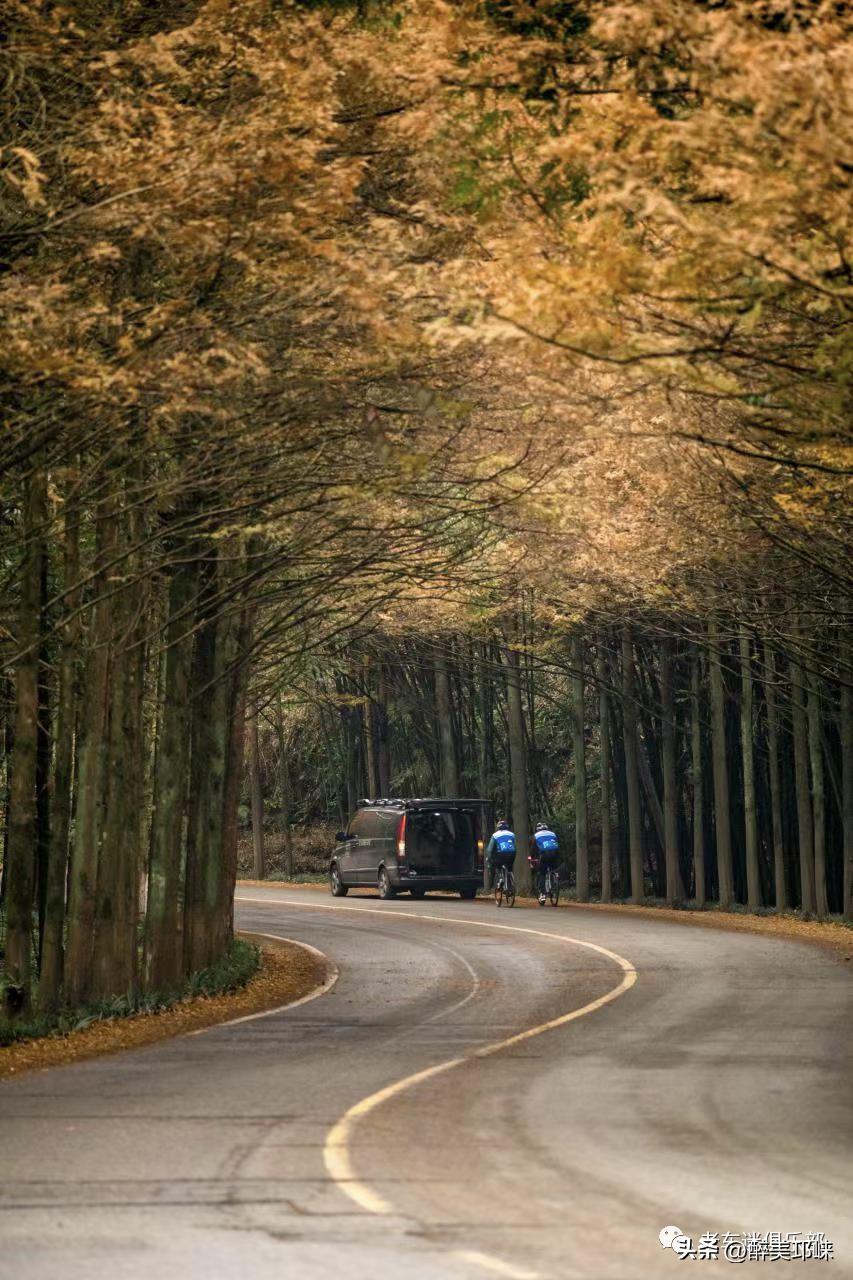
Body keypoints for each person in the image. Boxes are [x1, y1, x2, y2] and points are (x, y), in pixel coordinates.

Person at [529, 821, 560, 903]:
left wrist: (531, 859)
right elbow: (557, 844)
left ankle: (542, 894)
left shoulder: (536, 836)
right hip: (555, 854)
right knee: (553, 869)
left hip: (544, 855)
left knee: (542, 873)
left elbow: (533, 849)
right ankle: (555, 878)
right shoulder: (553, 834)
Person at [485, 819, 516, 889]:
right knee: (509, 867)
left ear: (498, 827)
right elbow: (514, 845)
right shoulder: (512, 834)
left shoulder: (495, 835)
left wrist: (489, 858)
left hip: (501, 854)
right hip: (512, 854)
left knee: (497, 865)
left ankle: (501, 879)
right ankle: (511, 879)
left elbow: (489, 849)